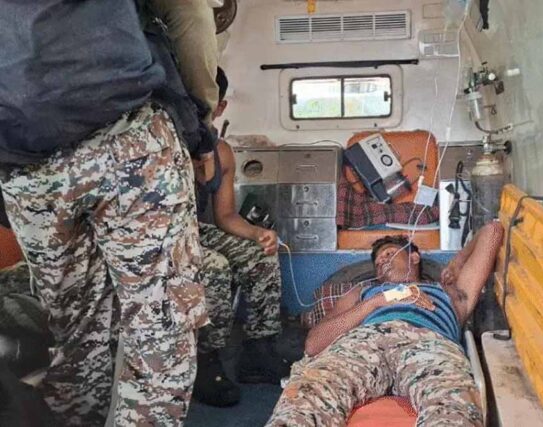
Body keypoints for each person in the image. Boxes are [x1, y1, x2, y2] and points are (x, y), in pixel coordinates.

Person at [0, 1, 211, 425]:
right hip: (124, 136)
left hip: (23, 158)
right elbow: (190, 13)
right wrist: (198, 119)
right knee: (160, 327)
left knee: (73, 330)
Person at [266, 222, 504, 426]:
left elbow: (493, 231)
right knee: (309, 394)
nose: (382, 262)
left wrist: (457, 262)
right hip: (363, 343)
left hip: (429, 343)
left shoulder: (449, 292)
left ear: (414, 257)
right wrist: (377, 301)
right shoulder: (364, 293)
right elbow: (314, 345)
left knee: (452, 404)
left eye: (389, 254)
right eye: (378, 262)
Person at [191, 68, 291, 407]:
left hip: (199, 230)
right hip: (165, 234)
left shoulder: (221, 152)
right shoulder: (166, 146)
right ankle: (207, 360)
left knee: (260, 253)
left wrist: (259, 233)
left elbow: (225, 217)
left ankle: (258, 352)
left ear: (220, 107)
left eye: (206, 105)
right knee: (216, 266)